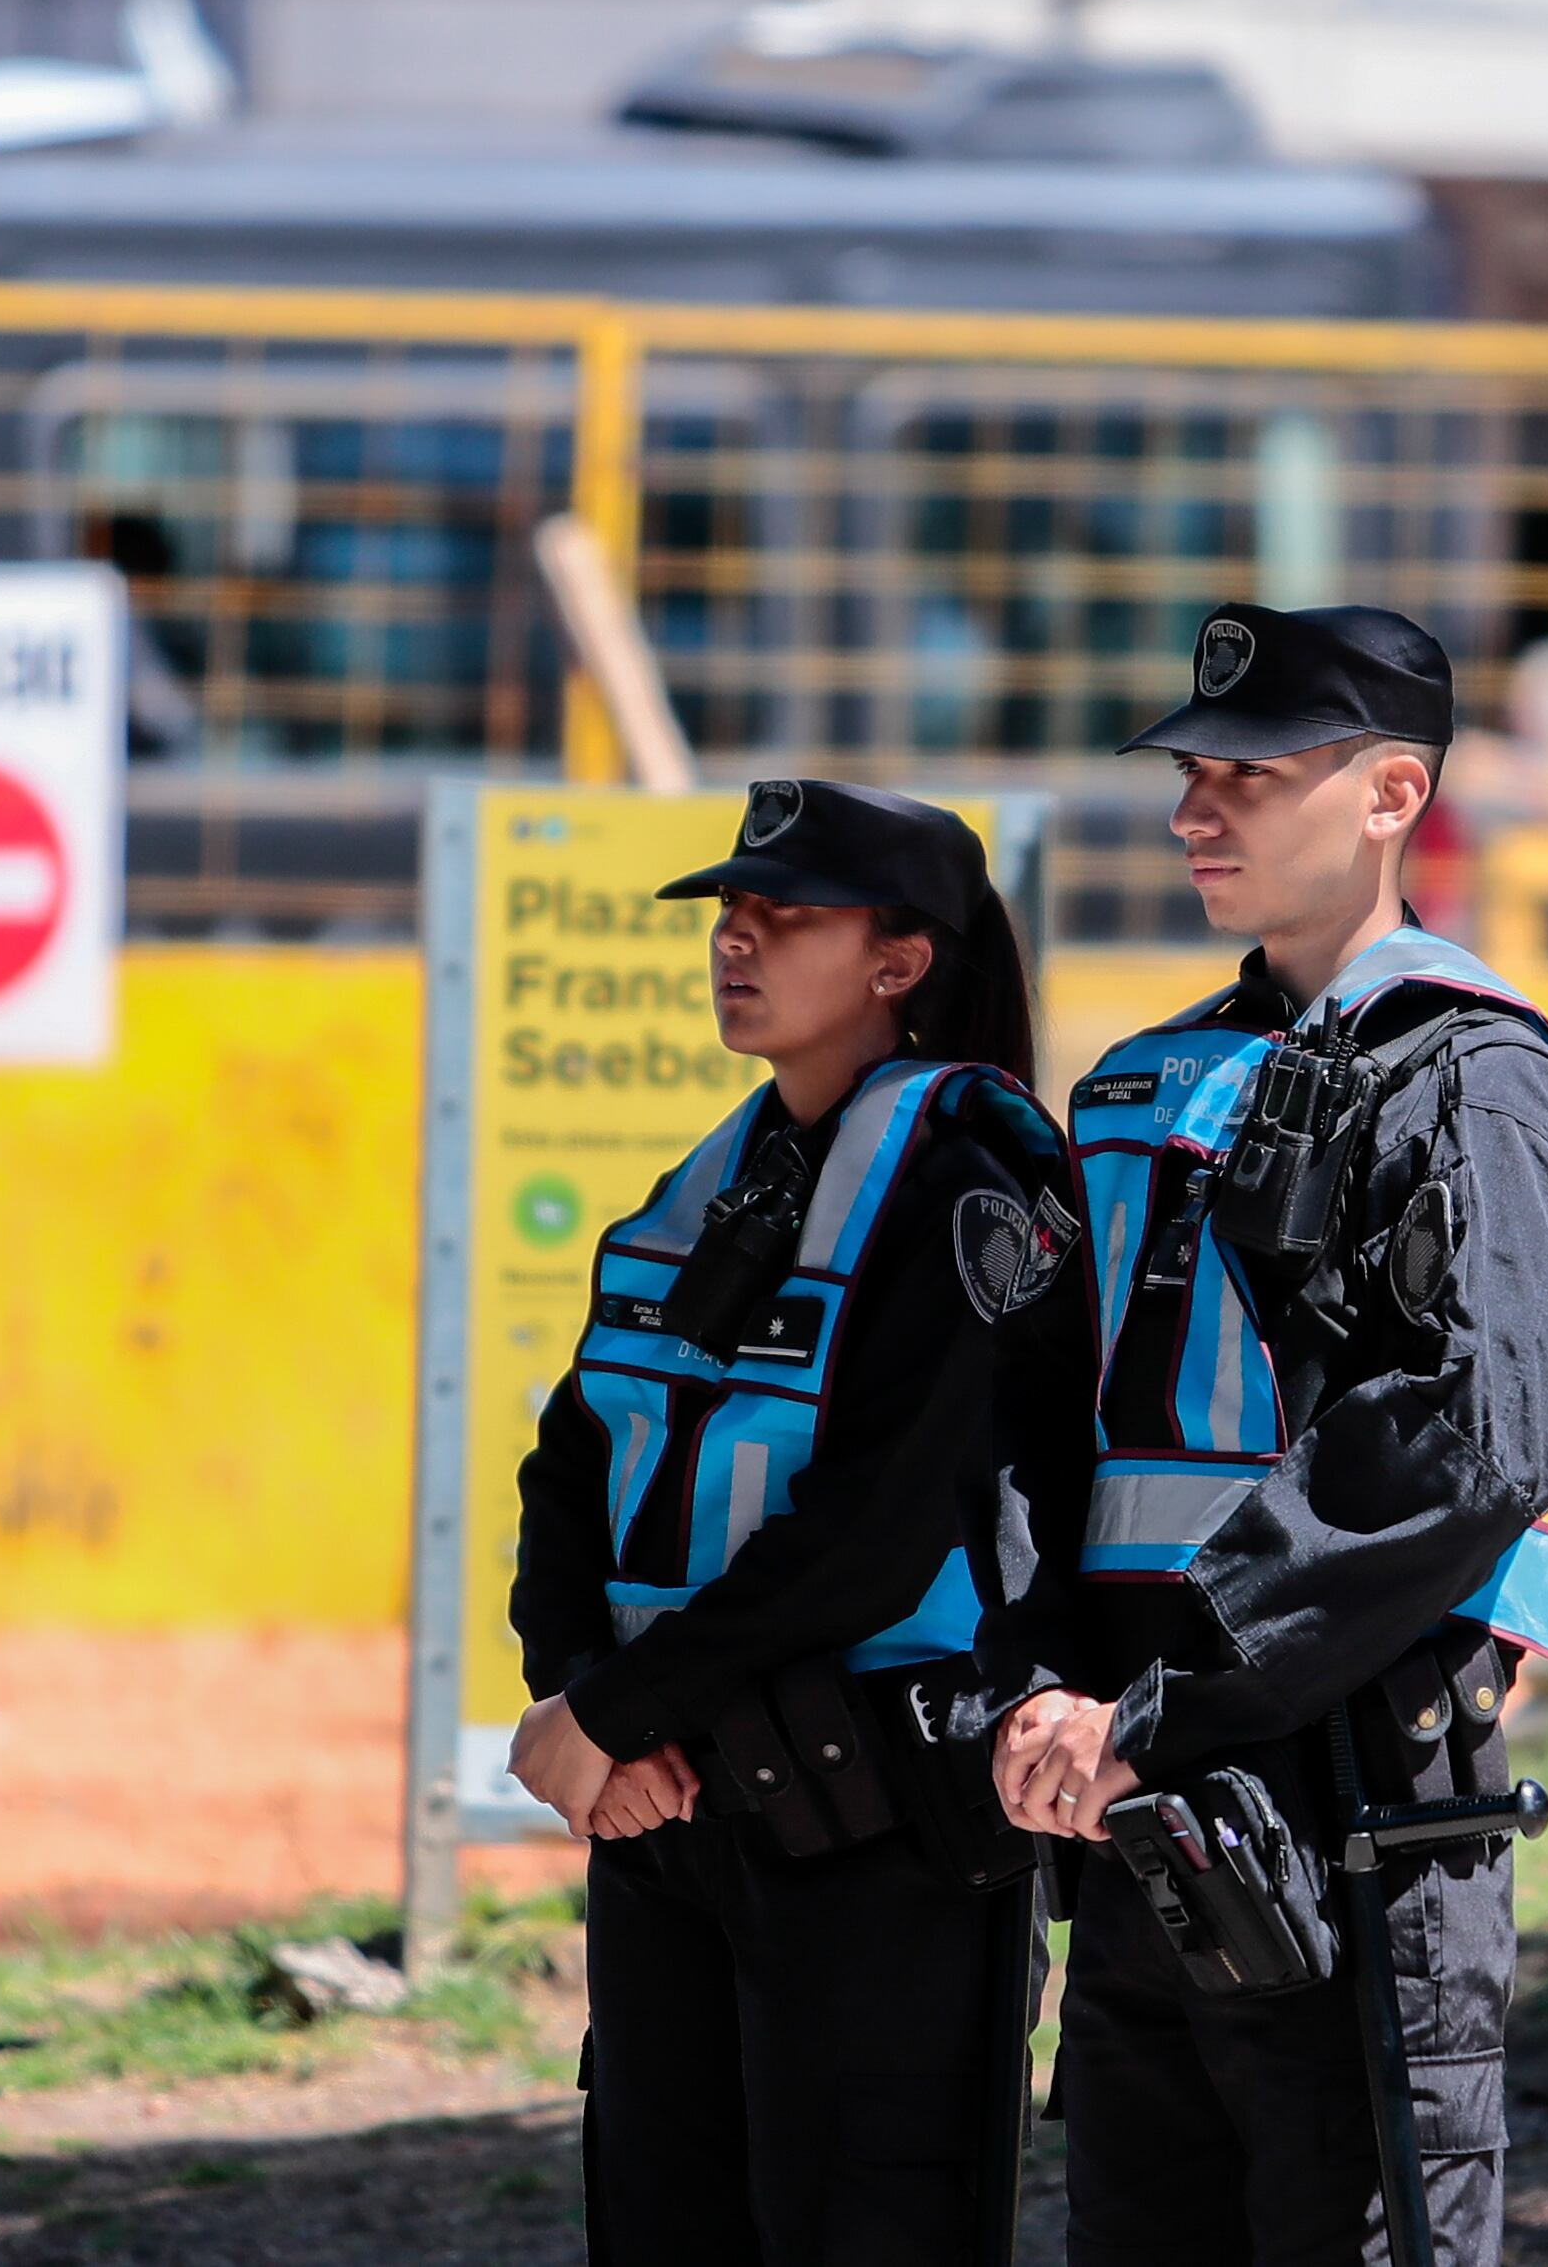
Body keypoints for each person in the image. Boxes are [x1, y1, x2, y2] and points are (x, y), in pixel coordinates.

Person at [965, 602, 1548, 2267]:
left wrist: (1165, 1703)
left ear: (1393, 792)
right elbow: (1041, 1427)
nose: (1198, 809)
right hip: (1130, 1799)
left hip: (1347, 1806)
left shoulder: (1482, 1081)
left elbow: (1479, 1437)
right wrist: (1046, 1690)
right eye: (1192, 774)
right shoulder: (1137, 1084)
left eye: (1250, 777)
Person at [503, 777, 1082, 2267]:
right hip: (672, 1811)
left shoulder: (977, 1176)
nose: (736, 942)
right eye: (729, 916)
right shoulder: (718, 1176)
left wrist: (621, 1708)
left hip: (871, 1821)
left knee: (866, 2221)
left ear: (899, 963)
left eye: (787, 917)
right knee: (660, 2219)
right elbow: (573, 1457)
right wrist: (578, 1698)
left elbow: (873, 1529)